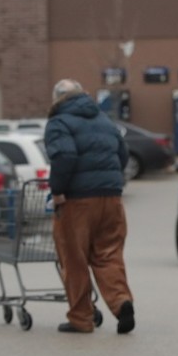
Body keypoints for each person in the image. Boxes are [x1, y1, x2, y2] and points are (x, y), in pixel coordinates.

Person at [43, 79, 137, 335]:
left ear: (57, 98)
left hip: (78, 202)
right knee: (108, 254)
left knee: (74, 259)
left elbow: (65, 156)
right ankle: (121, 303)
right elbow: (123, 154)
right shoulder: (104, 121)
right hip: (111, 198)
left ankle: (81, 318)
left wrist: (58, 191)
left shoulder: (59, 122)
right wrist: (110, 180)